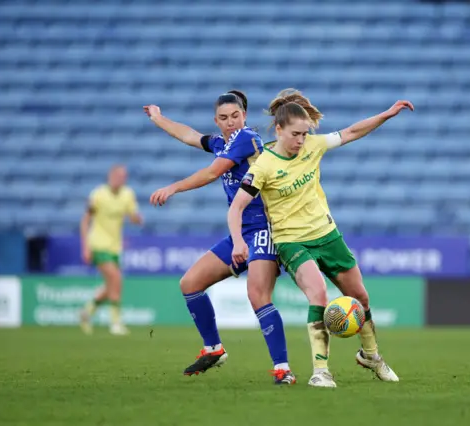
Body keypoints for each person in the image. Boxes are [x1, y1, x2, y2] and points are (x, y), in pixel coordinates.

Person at [227, 89, 414, 388]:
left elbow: (352, 131)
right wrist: (238, 241)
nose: (301, 141)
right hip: (291, 241)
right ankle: (321, 372)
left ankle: (372, 356)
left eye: (304, 134)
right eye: (295, 134)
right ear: (279, 129)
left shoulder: (313, 145)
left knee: (361, 297)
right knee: (319, 295)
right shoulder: (263, 165)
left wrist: (386, 115)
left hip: (327, 234)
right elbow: (236, 207)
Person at [143, 91, 295, 384]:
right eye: (224, 118)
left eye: (235, 116)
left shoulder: (246, 138)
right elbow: (190, 135)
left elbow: (214, 172)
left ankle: (283, 369)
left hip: (265, 229)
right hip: (241, 231)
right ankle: (214, 349)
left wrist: (173, 187)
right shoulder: (222, 143)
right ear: (217, 120)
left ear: (244, 116)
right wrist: (159, 119)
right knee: (190, 283)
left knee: (258, 296)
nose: (230, 123)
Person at [80, 164, 143, 336]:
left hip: (115, 247)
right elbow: (85, 221)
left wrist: (137, 219)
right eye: (118, 176)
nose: (121, 180)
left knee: (111, 286)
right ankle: (115, 323)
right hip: (98, 244)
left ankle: (87, 312)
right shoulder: (98, 194)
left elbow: (133, 216)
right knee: (116, 279)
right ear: (111, 176)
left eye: (124, 177)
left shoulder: (127, 194)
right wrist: (85, 246)